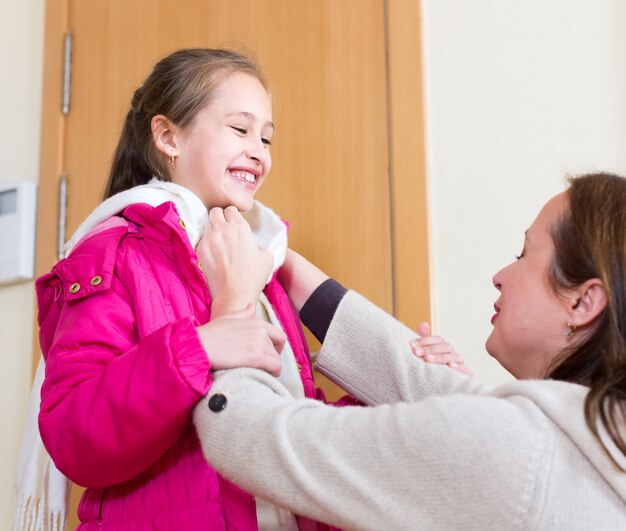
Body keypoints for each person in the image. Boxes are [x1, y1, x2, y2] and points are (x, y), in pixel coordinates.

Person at [193, 172, 626, 529]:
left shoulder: (523, 452)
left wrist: (234, 304)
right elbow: (426, 381)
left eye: (524, 253)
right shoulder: (598, 435)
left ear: (583, 302)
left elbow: (258, 439)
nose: (500, 275)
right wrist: (275, 257)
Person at [35, 48, 342, 530]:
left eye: (266, 137)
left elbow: (289, 413)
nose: (259, 150)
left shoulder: (260, 263)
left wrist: (389, 403)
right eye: (240, 130)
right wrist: (197, 348)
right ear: (167, 136)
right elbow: (75, 435)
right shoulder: (115, 257)